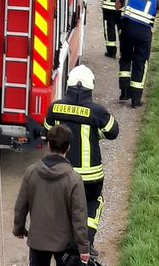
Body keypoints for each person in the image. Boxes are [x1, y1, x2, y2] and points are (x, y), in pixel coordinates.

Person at [44, 65, 120, 254]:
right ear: (90, 87)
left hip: (62, 172)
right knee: (93, 203)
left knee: (62, 202)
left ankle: (59, 240)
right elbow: (113, 132)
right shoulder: (97, 111)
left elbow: (48, 130)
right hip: (91, 175)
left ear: (69, 85)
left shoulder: (55, 107)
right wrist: (95, 135)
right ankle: (86, 241)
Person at [13, 125, 90, 266]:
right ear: (68, 147)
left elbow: (21, 206)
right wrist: (83, 247)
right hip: (65, 243)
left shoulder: (31, 172)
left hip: (38, 240)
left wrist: (19, 229)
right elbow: (79, 216)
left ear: (48, 145)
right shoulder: (74, 179)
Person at [115, 0, 159, 108]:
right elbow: (156, 11)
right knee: (140, 62)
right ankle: (136, 100)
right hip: (143, 32)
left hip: (127, 29)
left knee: (125, 58)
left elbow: (117, 5)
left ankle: (124, 92)